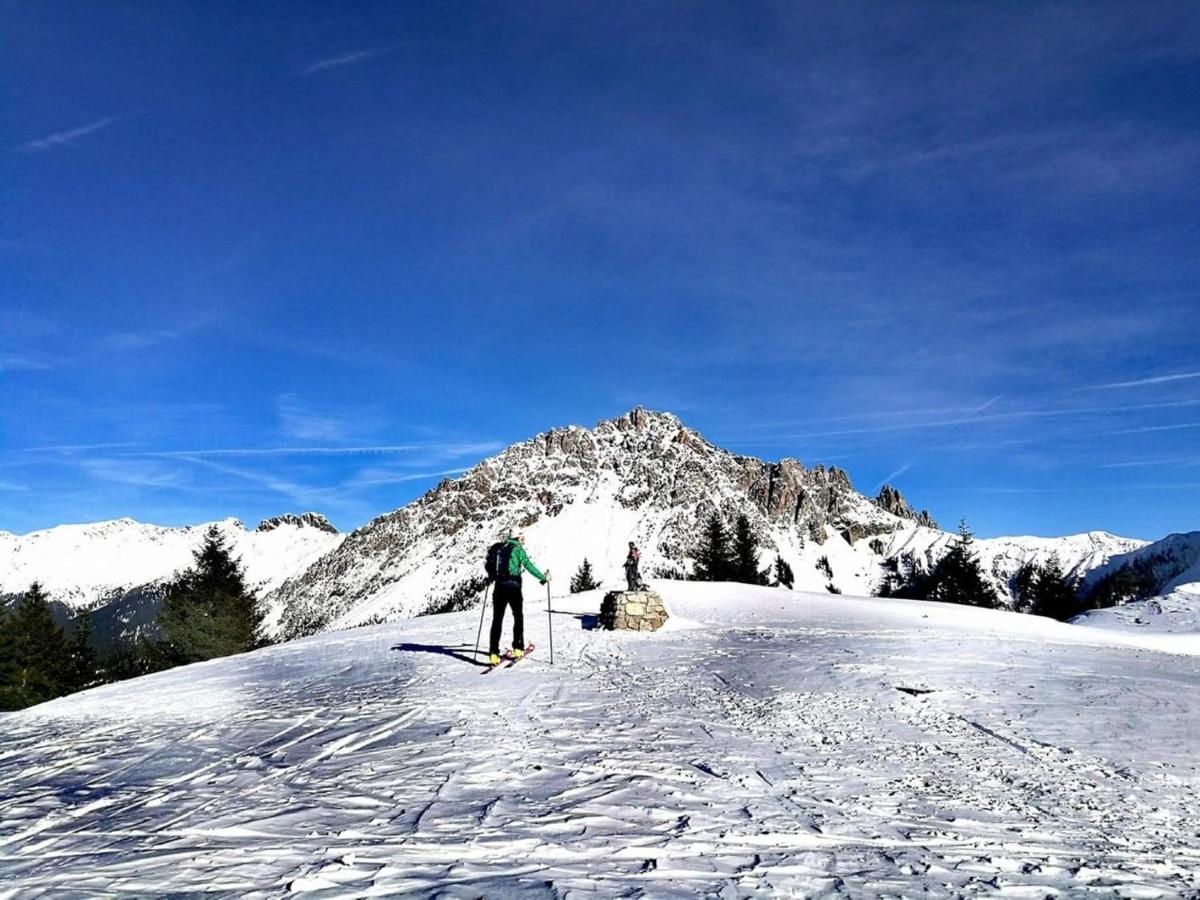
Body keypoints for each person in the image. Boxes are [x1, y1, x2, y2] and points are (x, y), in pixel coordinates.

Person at [488, 532, 549, 666]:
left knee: (497, 619)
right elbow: (528, 566)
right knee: (518, 617)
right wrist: (543, 578)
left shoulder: (499, 548)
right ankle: (518, 648)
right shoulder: (518, 550)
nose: (524, 538)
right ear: (517, 537)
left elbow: (490, 566)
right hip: (513, 588)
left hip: (498, 587)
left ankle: (493, 654)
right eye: (522, 536)